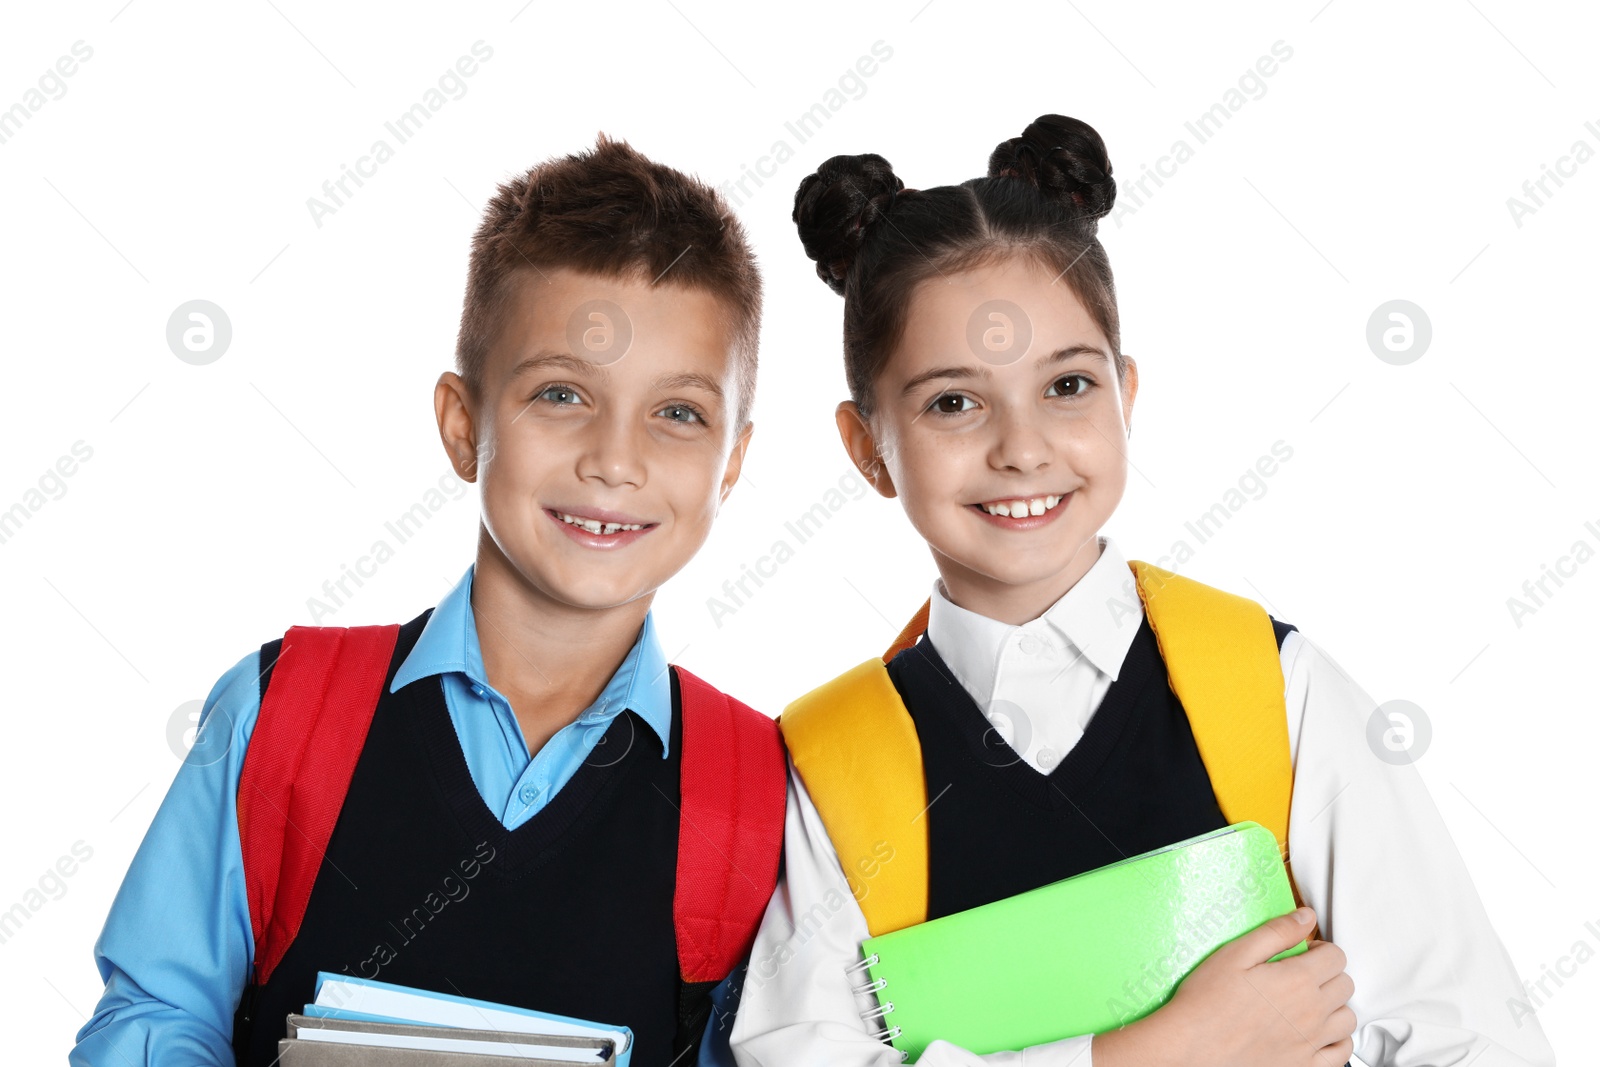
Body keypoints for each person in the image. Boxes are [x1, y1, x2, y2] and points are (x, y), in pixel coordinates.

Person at [729, 114, 1557, 1067]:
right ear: (867, 445)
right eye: (953, 401)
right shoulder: (830, 768)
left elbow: (1469, 1035)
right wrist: (1151, 1053)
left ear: (1126, 394)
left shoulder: (1274, 690)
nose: (1022, 445)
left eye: (1068, 386)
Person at [70, 133, 782, 1067]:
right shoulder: (284, 710)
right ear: (462, 425)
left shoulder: (757, 789)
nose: (617, 457)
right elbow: (158, 1018)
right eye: (562, 393)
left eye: (679, 412)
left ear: (732, 461)